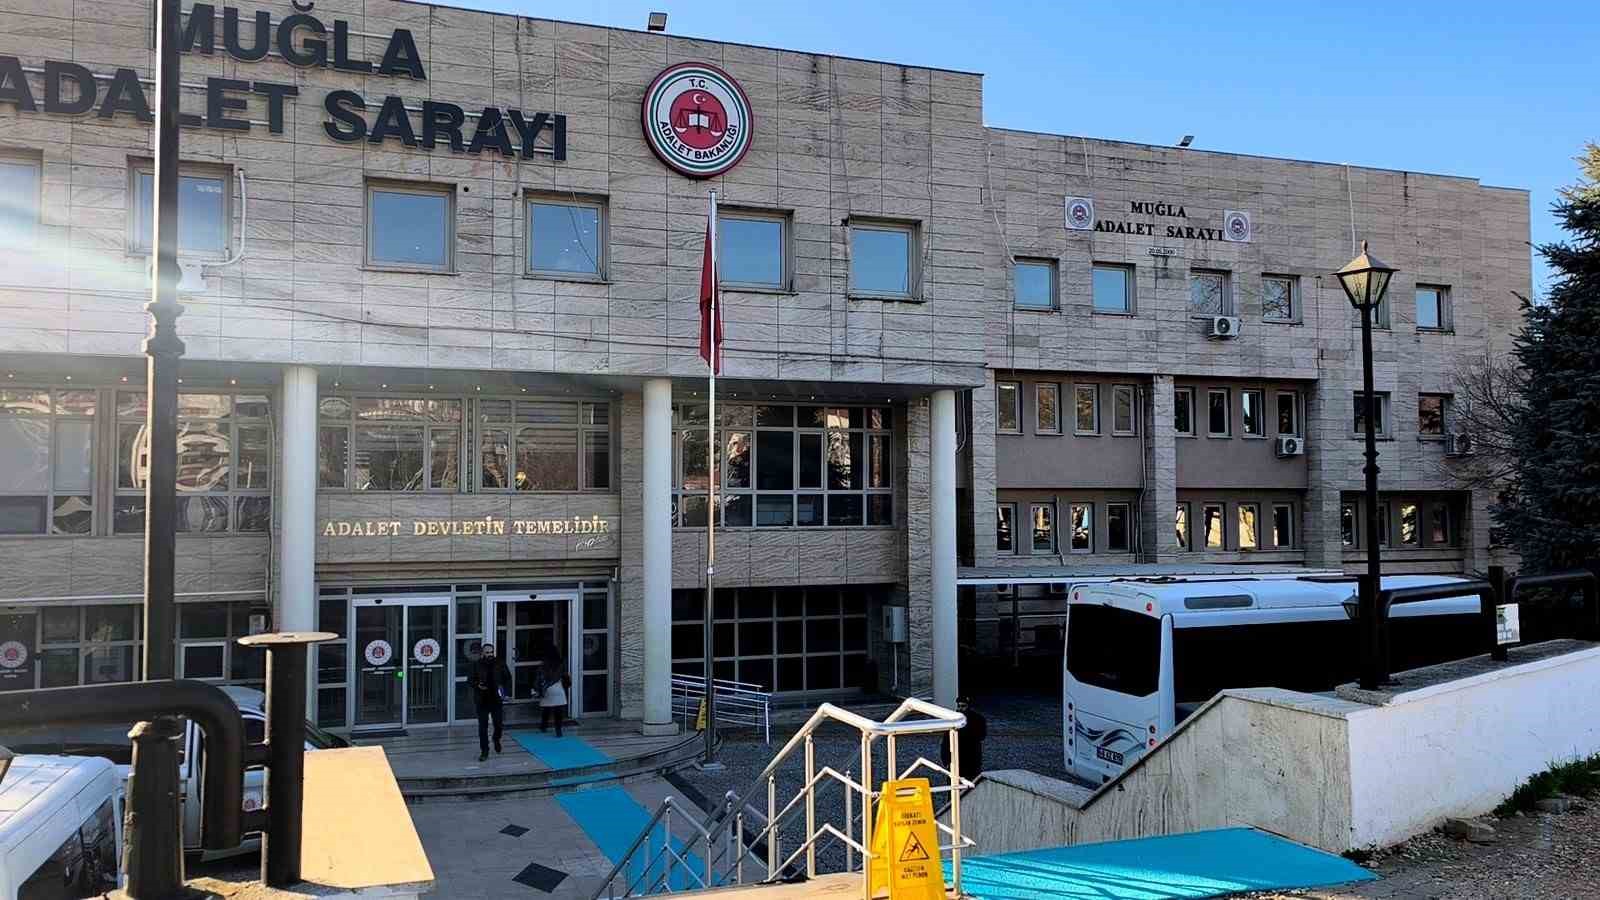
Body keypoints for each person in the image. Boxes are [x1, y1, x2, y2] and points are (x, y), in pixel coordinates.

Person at [471, 642, 511, 762]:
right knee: (482, 728)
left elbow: (507, 678)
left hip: (496, 699)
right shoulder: (476, 665)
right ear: (482, 653)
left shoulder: (500, 663)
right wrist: (478, 685)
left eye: (491, 652)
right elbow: (470, 680)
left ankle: (496, 739)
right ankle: (484, 751)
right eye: (487, 652)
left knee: (498, 724)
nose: (490, 654)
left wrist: (504, 693)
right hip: (482, 700)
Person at [938, 696, 988, 780]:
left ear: (969, 706)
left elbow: (982, 735)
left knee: (971, 782)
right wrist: (946, 760)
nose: (960, 708)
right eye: (959, 706)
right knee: (954, 782)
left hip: (971, 758)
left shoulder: (978, 719)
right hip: (955, 757)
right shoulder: (952, 718)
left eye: (963, 706)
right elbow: (946, 741)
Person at [537, 647, 571, 737]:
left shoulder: (543, 665)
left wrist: (539, 689)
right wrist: (567, 686)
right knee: (558, 711)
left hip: (547, 689)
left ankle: (543, 726)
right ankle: (558, 730)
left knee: (546, 709)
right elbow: (565, 677)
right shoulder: (560, 664)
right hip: (558, 689)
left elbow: (539, 678)